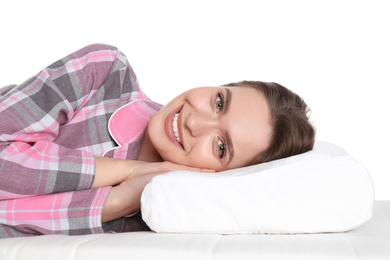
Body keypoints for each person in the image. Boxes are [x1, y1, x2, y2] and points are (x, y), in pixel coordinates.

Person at [0, 44, 315, 238]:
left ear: (220, 177)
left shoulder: (150, 219)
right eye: (219, 102)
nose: (194, 122)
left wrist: (117, 203)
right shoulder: (104, 72)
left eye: (221, 147)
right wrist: (128, 173)